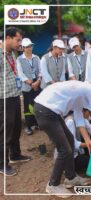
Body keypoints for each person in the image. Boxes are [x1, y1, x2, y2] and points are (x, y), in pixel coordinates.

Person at [34, 75, 91, 197]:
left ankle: (71, 177)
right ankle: (53, 185)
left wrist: (87, 139)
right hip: (46, 110)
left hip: (51, 111)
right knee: (64, 150)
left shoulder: (82, 91)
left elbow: (79, 117)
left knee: (70, 141)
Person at [0, 27, 32, 176]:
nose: (20, 43)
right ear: (8, 37)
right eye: (17, 40)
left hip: (14, 95)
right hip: (3, 98)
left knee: (16, 126)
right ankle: (2, 164)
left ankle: (15, 154)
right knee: (5, 130)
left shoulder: (10, 53)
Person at [16, 38, 42, 135]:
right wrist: (31, 83)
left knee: (38, 104)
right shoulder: (19, 59)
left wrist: (38, 81)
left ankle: (37, 123)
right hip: (27, 85)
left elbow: (41, 70)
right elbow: (20, 73)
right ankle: (28, 125)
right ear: (23, 48)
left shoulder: (36, 58)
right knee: (27, 106)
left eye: (30, 46)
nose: (29, 48)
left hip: (37, 83)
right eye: (27, 47)